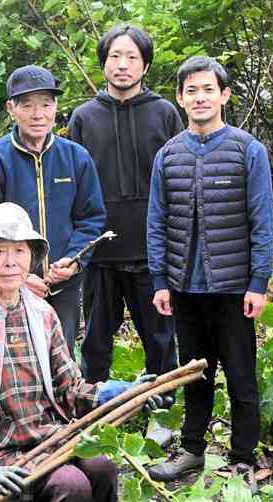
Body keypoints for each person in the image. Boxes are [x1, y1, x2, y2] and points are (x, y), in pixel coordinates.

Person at [0, 202, 166, 502]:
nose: (11, 262)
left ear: (32, 258)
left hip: (47, 438)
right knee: (69, 486)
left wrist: (124, 393)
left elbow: (69, 391)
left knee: (102, 467)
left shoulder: (41, 314)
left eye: (19, 251)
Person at [145, 57, 273, 492]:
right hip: (185, 287)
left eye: (208, 90)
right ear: (180, 98)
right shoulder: (169, 154)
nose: (200, 98)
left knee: (241, 375)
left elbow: (262, 220)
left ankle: (242, 460)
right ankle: (192, 451)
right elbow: (157, 222)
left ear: (224, 95)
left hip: (234, 288)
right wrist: (160, 280)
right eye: (191, 91)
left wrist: (259, 282)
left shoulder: (246, 150)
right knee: (194, 375)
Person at [68, 24, 183, 448]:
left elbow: (178, 179)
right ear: (103, 63)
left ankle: (163, 413)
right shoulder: (84, 117)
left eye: (131, 57)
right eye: (115, 56)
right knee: (96, 339)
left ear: (145, 64)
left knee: (160, 338)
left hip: (153, 251)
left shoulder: (164, 113)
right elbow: (75, 185)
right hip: (99, 250)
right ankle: (93, 414)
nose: (122, 64)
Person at [0, 65, 106, 357]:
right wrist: (19, 275)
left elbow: (91, 217)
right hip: (8, 286)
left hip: (63, 287)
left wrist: (74, 260)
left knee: (62, 360)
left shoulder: (75, 157)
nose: (38, 114)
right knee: (13, 363)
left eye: (46, 104)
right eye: (27, 105)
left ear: (55, 107)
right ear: (11, 108)